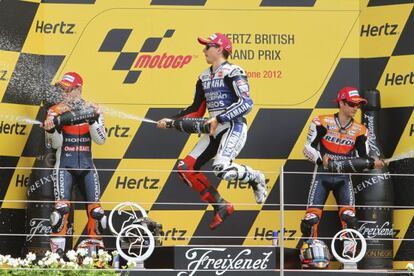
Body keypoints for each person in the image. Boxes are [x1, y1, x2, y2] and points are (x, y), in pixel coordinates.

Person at [157, 33, 267, 230]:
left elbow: (246, 103)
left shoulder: (234, 71)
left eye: (207, 46)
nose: (204, 50)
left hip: (232, 126)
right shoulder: (203, 76)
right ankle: (221, 206)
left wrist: (219, 118)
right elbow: (196, 109)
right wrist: (171, 120)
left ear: (219, 48)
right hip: (212, 130)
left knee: (221, 169)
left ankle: (255, 177)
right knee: (185, 169)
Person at [301, 86, 384, 240]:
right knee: (310, 220)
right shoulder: (322, 121)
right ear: (341, 103)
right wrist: (320, 159)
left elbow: (362, 157)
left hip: (344, 177)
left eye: (358, 105)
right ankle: (310, 252)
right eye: (352, 104)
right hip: (322, 175)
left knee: (350, 218)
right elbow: (307, 148)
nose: (356, 108)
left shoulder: (361, 130)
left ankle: (348, 258)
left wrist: (372, 163)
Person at [42, 72, 107, 254]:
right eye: (62, 89)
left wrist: (94, 121)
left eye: (68, 89)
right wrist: (52, 129)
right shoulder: (54, 111)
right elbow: (54, 144)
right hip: (65, 167)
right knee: (60, 212)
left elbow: (101, 139)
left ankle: (94, 259)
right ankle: (56, 260)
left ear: (79, 89)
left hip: (87, 166)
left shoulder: (93, 108)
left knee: (97, 214)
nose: (64, 93)